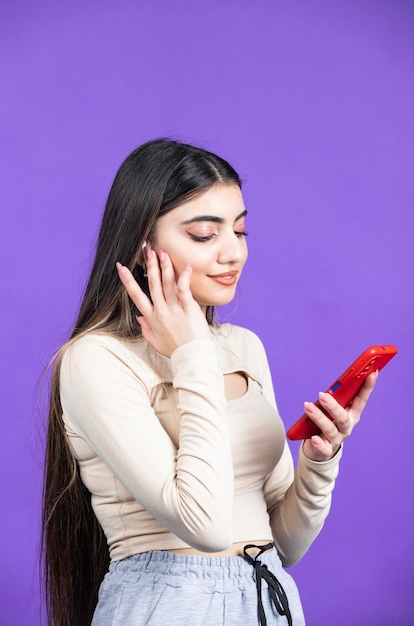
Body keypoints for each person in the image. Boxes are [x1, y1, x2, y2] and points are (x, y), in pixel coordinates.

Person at [41, 138, 377, 626]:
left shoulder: (242, 347)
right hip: (169, 606)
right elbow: (206, 526)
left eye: (240, 230)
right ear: (143, 245)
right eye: (204, 234)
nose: (233, 252)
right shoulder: (95, 360)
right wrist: (191, 353)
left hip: (268, 601)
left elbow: (282, 546)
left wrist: (318, 463)